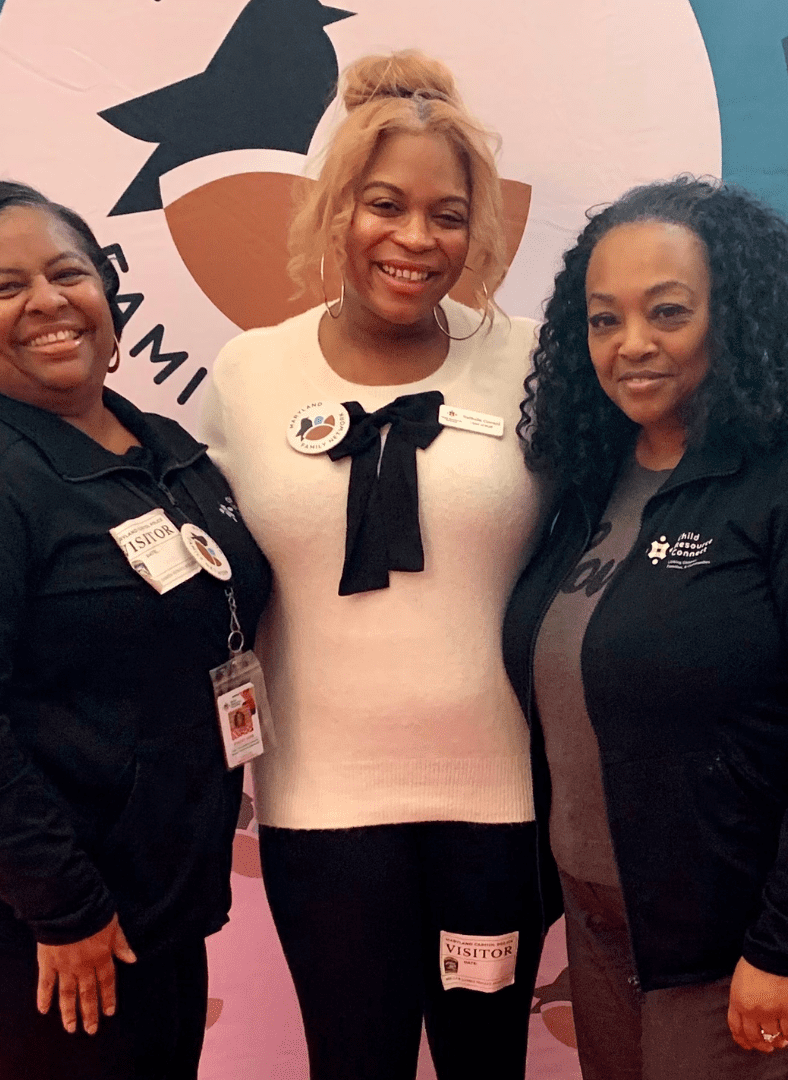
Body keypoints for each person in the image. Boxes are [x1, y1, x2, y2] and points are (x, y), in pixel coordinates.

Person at [500, 177, 788, 1080]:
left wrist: (784, 948)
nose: (632, 345)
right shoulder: (588, 477)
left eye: (669, 312)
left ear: (739, 317)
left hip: (745, 926)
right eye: (604, 320)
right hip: (610, 915)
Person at [0, 180, 273, 1080]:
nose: (48, 301)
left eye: (68, 272)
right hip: (13, 912)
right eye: (4, 288)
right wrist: (61, 908)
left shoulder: (162, 447)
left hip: (146, 890)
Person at [196, 52, 550, 1080]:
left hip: (503, 807)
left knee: (488, 1067)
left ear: (475, 229)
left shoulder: (532, 358)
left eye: (447, 214)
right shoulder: (249, 372)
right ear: (336, 209)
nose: (414, 238)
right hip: (322, 806)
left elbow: (661, 457)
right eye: (384, 204)